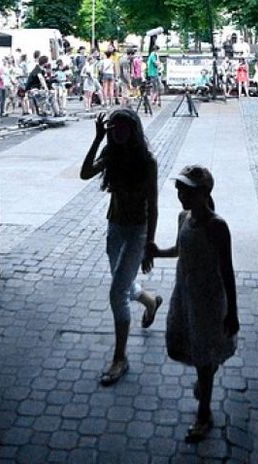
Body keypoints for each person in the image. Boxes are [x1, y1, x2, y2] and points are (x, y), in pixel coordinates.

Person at [149, 165, 239, 443]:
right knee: (197, 346)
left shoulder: (217, 226)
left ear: (204, 193)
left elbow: (227, 270)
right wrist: (158, 252)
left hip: (209, 300)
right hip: (186, 294)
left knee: (204, 351)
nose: (182, 196)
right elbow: (180, 250)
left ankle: (204, 413)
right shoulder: (184, 218)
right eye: (180, 190)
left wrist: (232, 312)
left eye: (188, 191)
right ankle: (205, 378)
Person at [80, 109, 162, 386]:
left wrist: (150, 244)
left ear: (134, 130)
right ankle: (150, 301)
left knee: (117, 292)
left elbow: (153, 205)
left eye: (124, 128)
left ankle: (120, 358)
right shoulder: (111, 154)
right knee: (121, 281)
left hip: (138, 230)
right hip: (114, 227)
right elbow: (84, 173)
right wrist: (97, 139)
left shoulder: (147, 162)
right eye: (114, 128)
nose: (118, 132)